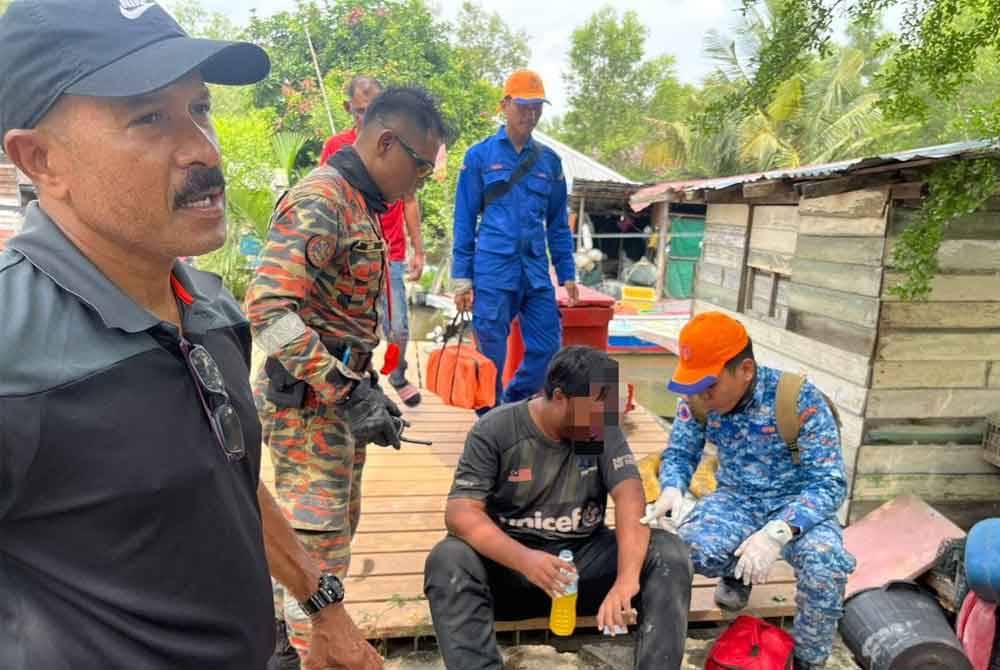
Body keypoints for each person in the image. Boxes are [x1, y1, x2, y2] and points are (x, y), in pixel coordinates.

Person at [0, 1, 381, 669]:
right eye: (149, 117)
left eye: (199, 110)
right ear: (42, 161)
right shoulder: (12, 352)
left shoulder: (211, 309)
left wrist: (325, 606)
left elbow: (226, 478)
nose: (204, 150)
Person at [245, 85, 449, 660]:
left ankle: (283, 649)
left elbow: (341, 317)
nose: (420, 182)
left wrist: (368, 389)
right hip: (308, 410)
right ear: (386, 142)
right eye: (420, 167)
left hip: (334, 406)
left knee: (326, 541)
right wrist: (344, 390)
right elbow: (267, 308)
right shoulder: (324, 200)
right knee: (317, 556)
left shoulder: (360, 205)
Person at [424, 346, 693, 670]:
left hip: (581, 568)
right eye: (594, 408)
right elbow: (460, 513)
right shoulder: (497, 430)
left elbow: (629, 497)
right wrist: (524, 560)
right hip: (511, 571)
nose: (603, 419)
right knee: (448, 559)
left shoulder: (597, 431)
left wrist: (626, 579)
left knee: (669, 551)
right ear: (561, 397)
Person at [641, 311, 856, 670]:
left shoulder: (798, 400)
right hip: (737, 500)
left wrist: (777, 532)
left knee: (826, 566)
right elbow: (680, 452)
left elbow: (830, 484)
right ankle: (731, 580)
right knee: (677, 551)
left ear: (745, 371)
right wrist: (673, 489)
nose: (702, 394)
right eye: (696, 385)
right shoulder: (697, 399)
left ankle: (808, 661)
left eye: (710, 384)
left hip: (798, 505)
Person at [452, 69, 578, 415]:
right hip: (493, 268)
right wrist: (462, 277)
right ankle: (490, 421)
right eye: (523, 106)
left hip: (535, 271)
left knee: (547, 347)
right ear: (505, 105)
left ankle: (509, 406)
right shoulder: (479, 157)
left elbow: (557, 223)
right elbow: (463, 219)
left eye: (537, 107)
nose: (531, 114)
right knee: (491, 354)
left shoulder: (549, 162)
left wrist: (567, 273)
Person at [320, 76, 425, 407]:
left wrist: (418, 249)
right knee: (353, 326)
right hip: (351, 256)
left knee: (399, 329)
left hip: (390, 253)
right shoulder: (337, 147)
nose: (367, 117)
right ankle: (356, 382)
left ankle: (396, 370)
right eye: (361, 109)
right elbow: (326, 195)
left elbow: (409, 199)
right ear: (348, 108)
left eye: (376, 109)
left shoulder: (400, 145)